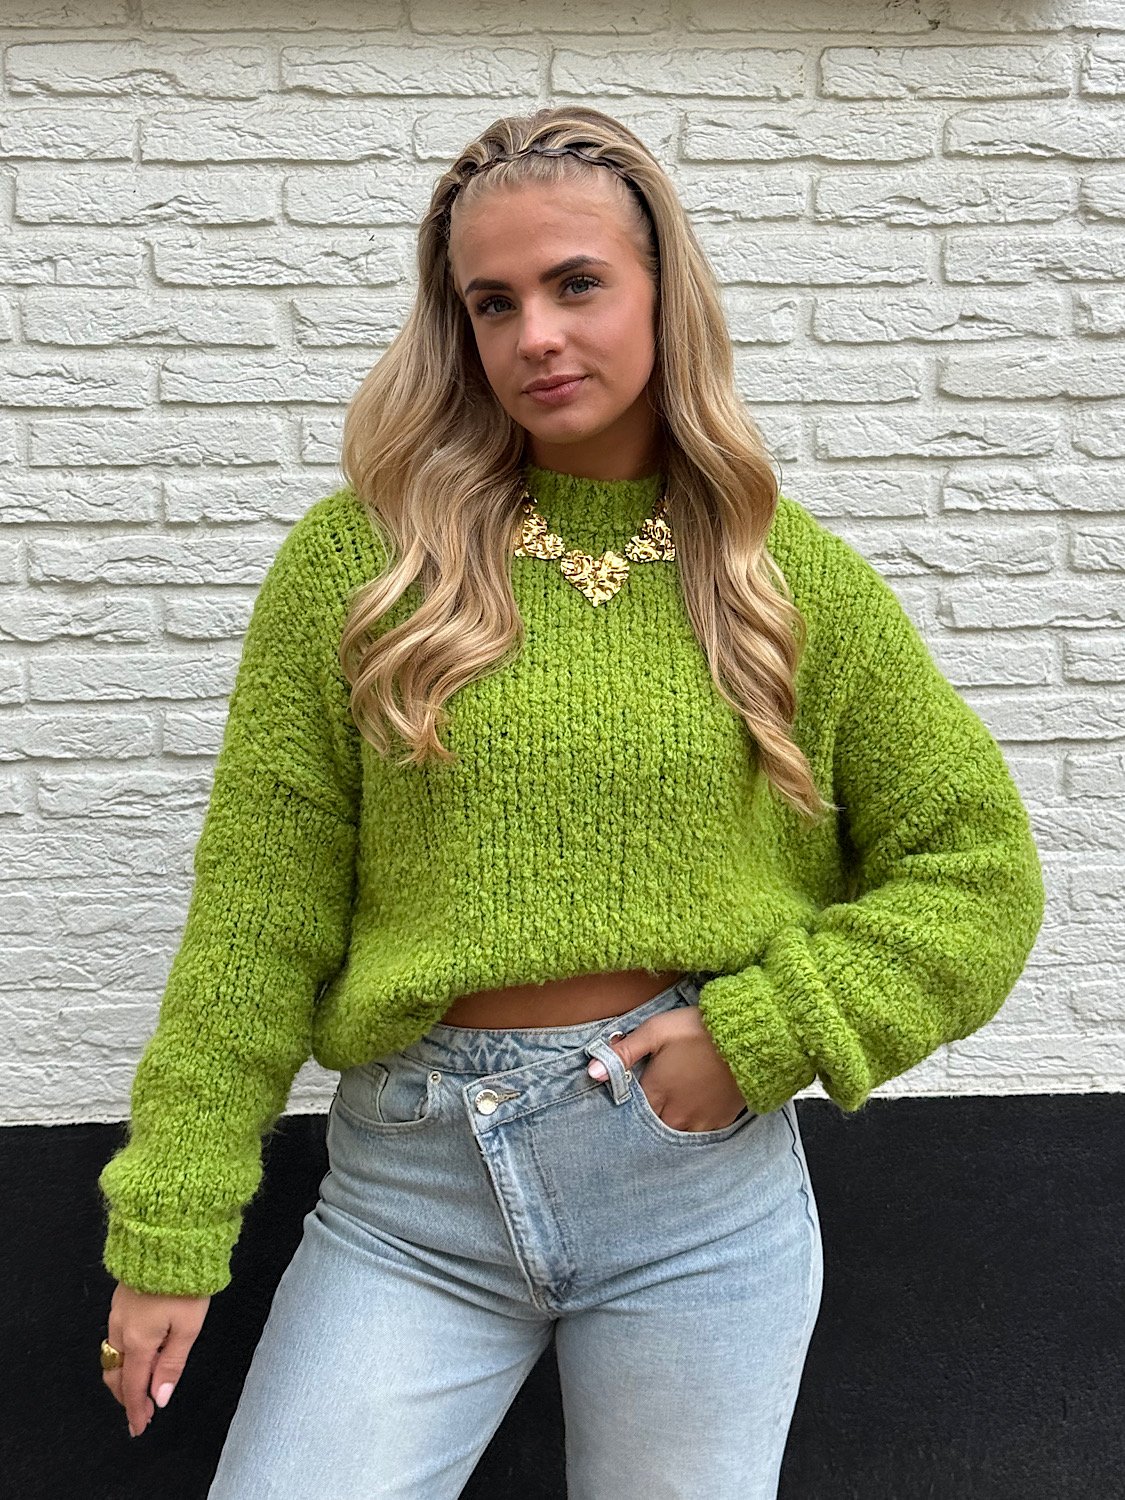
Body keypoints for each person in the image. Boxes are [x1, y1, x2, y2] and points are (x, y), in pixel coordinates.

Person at [96, 106, 1045, 1499]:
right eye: (493, 303)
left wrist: (766, 1030)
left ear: (663, 292)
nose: (535, 334)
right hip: (410, 1195)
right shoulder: (362, 568)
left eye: (577, 283)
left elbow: (978, 870)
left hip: (695, 1202)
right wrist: (169, 1228)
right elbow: (256, 918)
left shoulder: (785, 584)